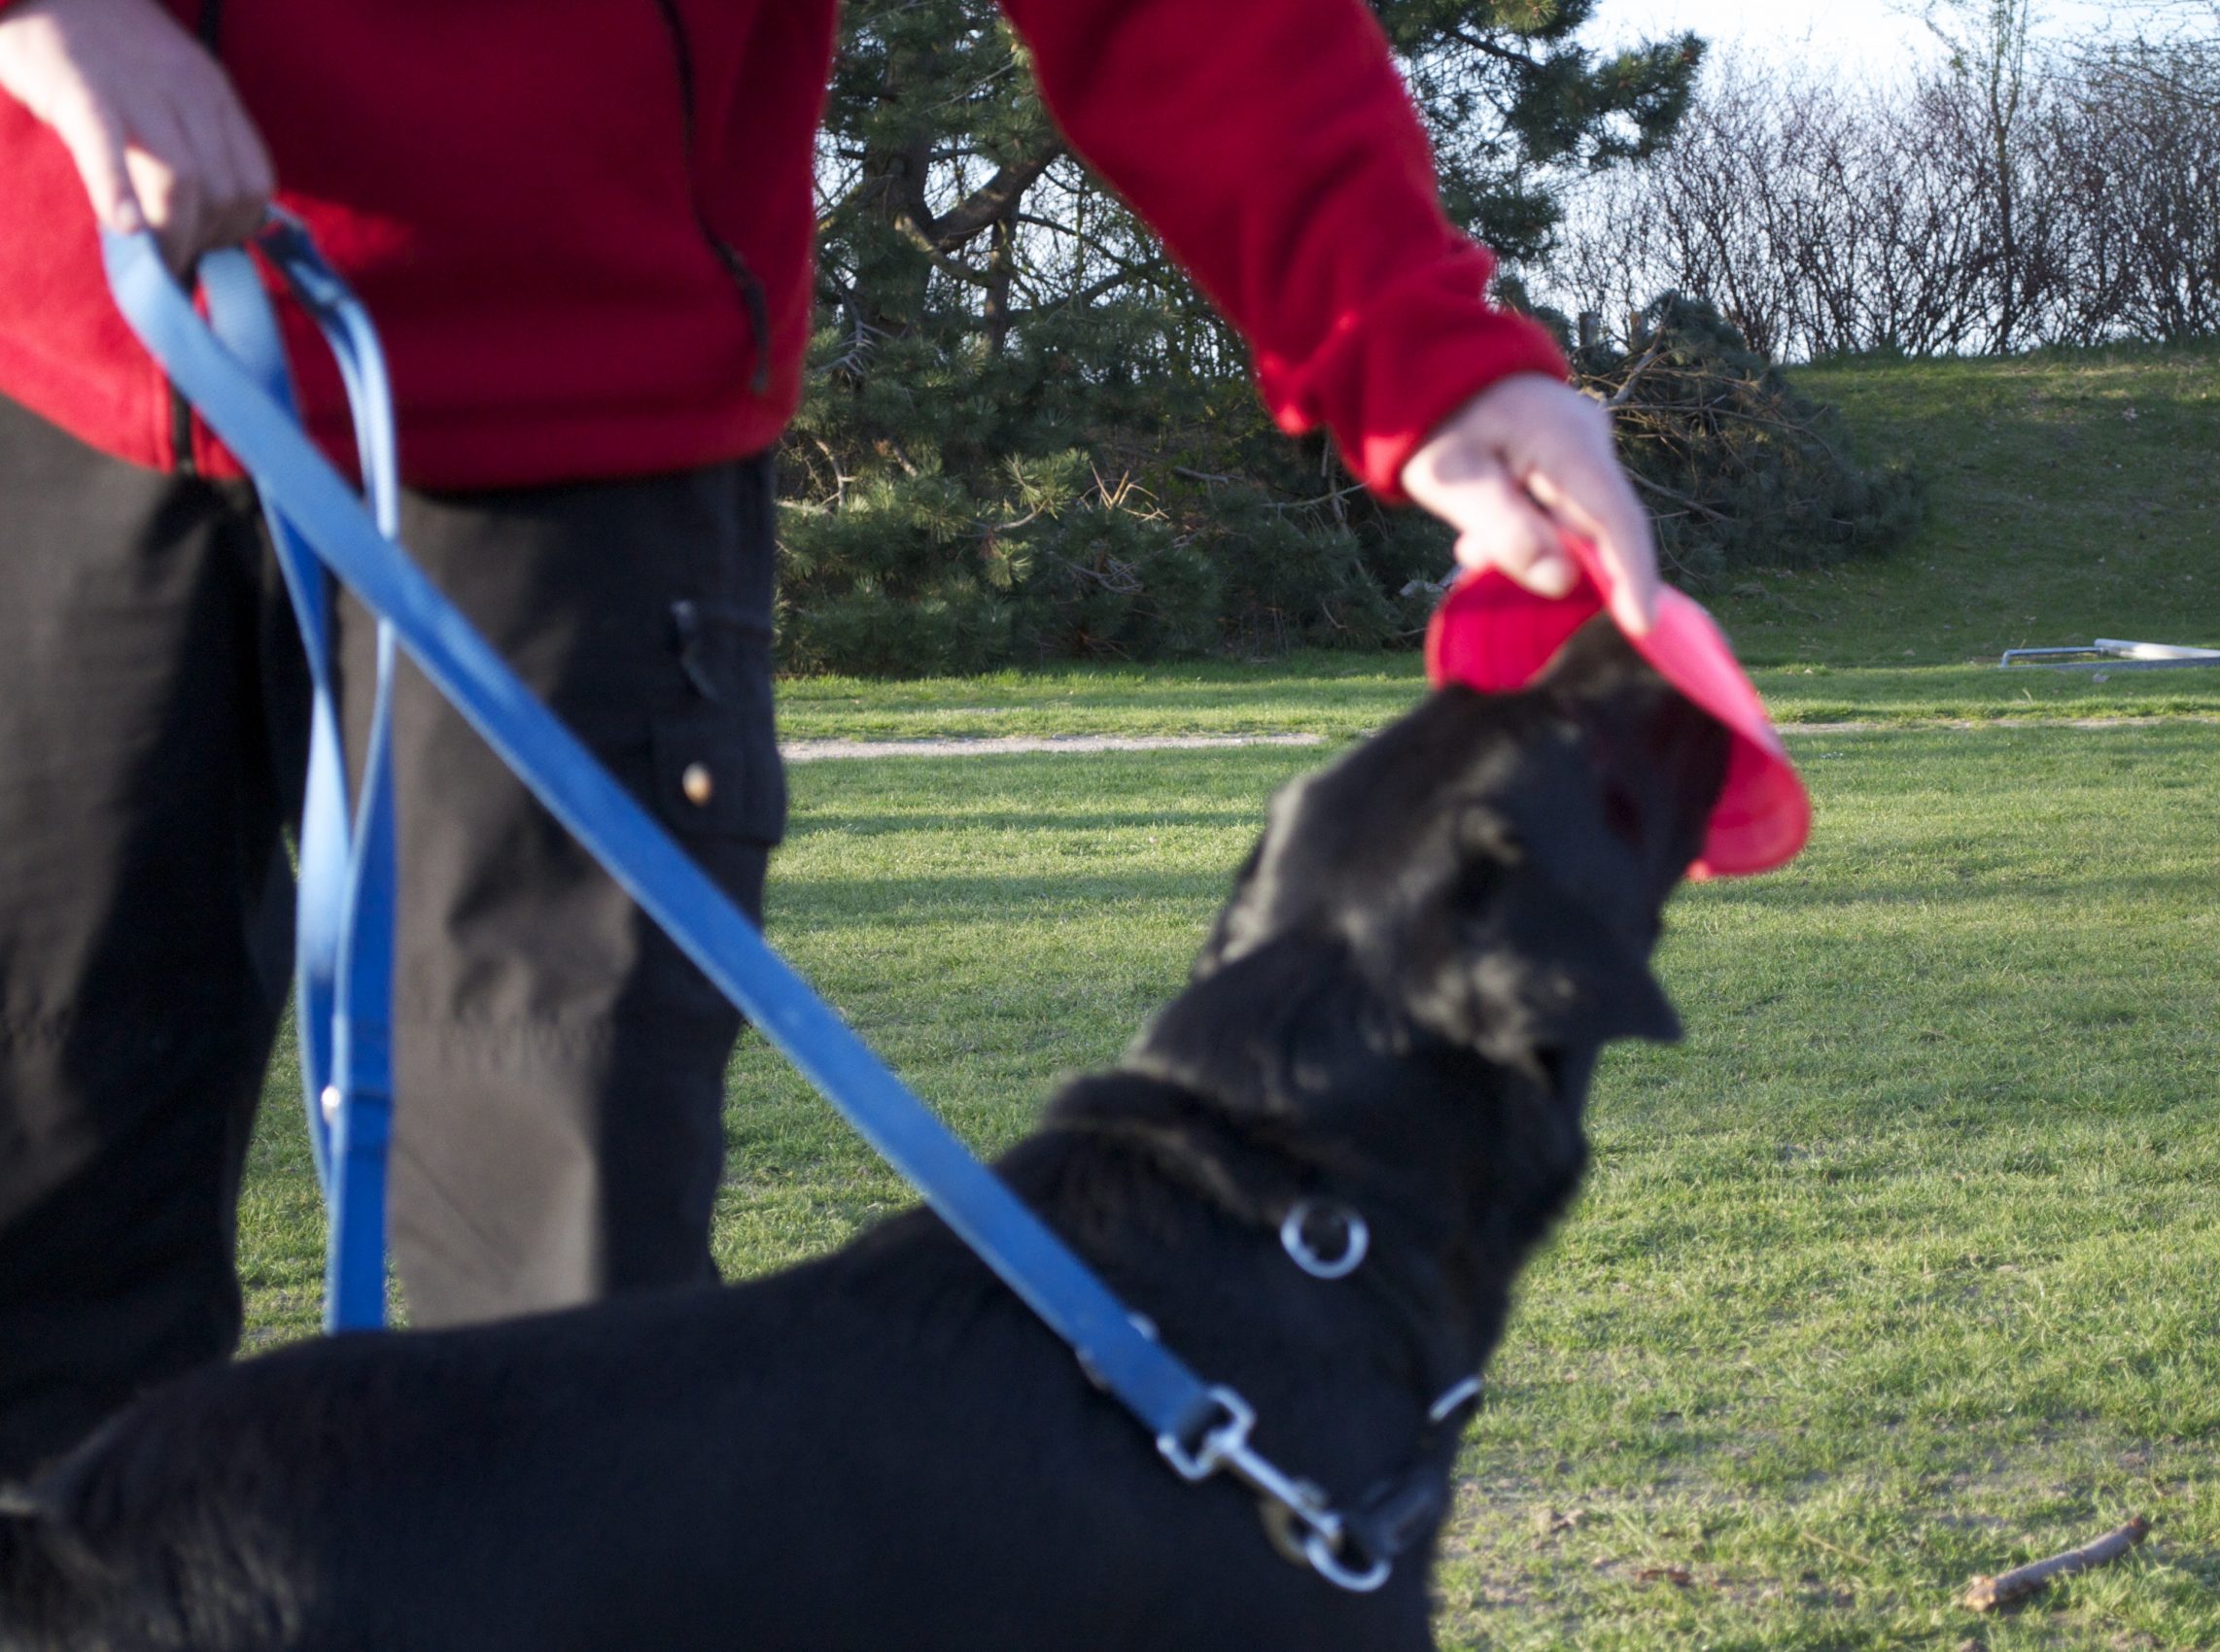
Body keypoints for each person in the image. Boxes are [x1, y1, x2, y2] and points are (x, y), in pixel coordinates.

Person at [0, 0, 1666, 1479]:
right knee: (34, 1263)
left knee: (558, 1334)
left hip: (581, 417)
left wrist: (1423, 352)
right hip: (60, 359)